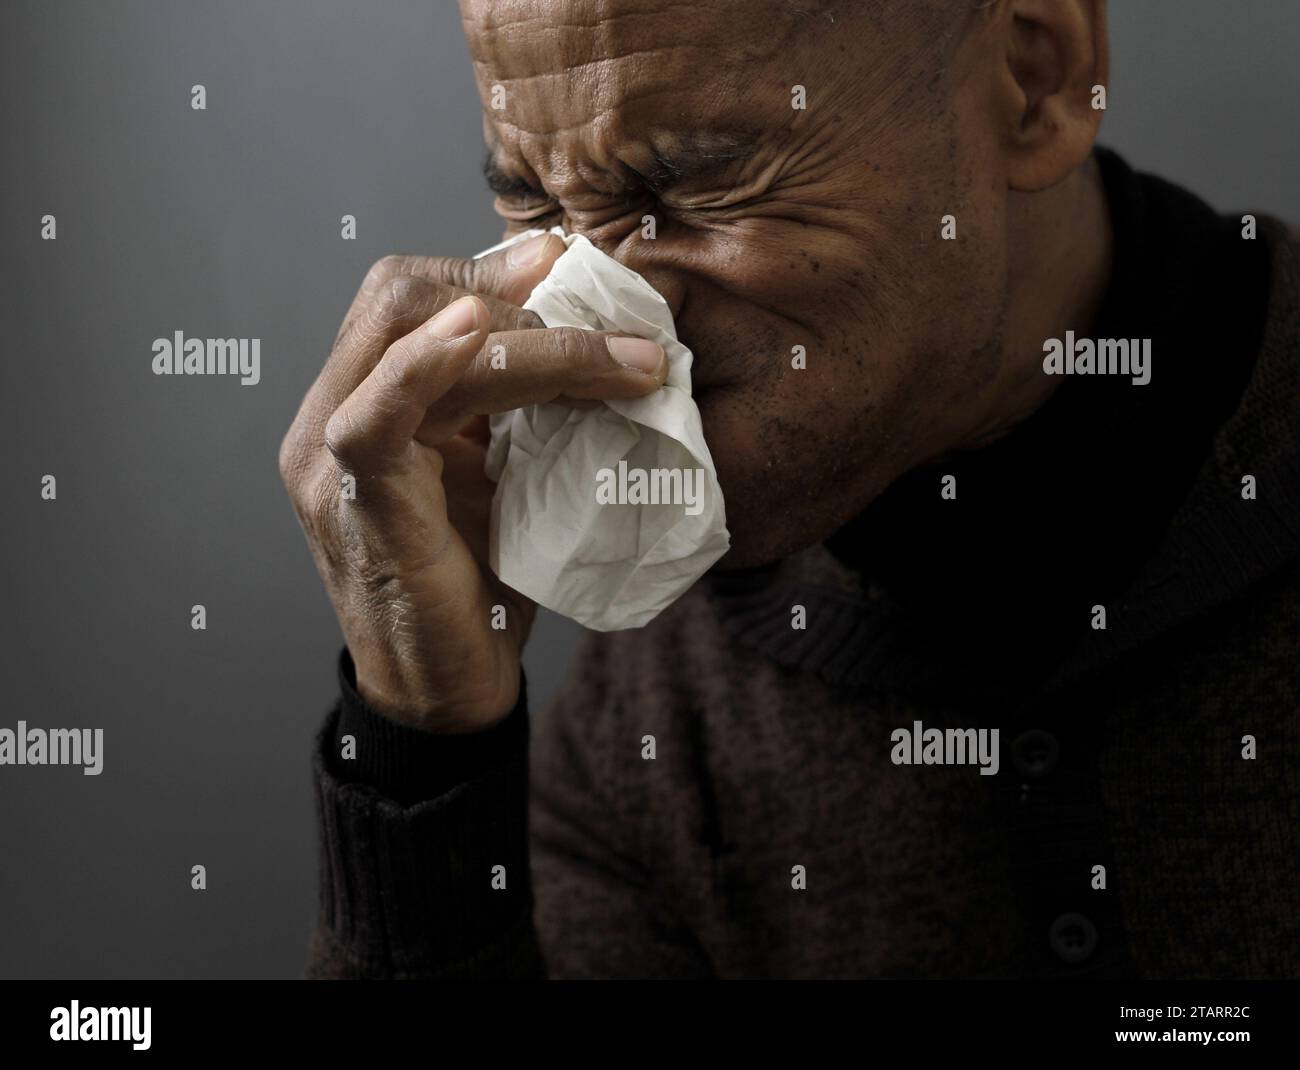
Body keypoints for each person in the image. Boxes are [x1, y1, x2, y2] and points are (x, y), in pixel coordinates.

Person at [278, 0, 1300, 978]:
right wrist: (421, 742)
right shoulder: (647, 718)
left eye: (687, 188)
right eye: (535, 205)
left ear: (1034, 76)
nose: (597, 315)